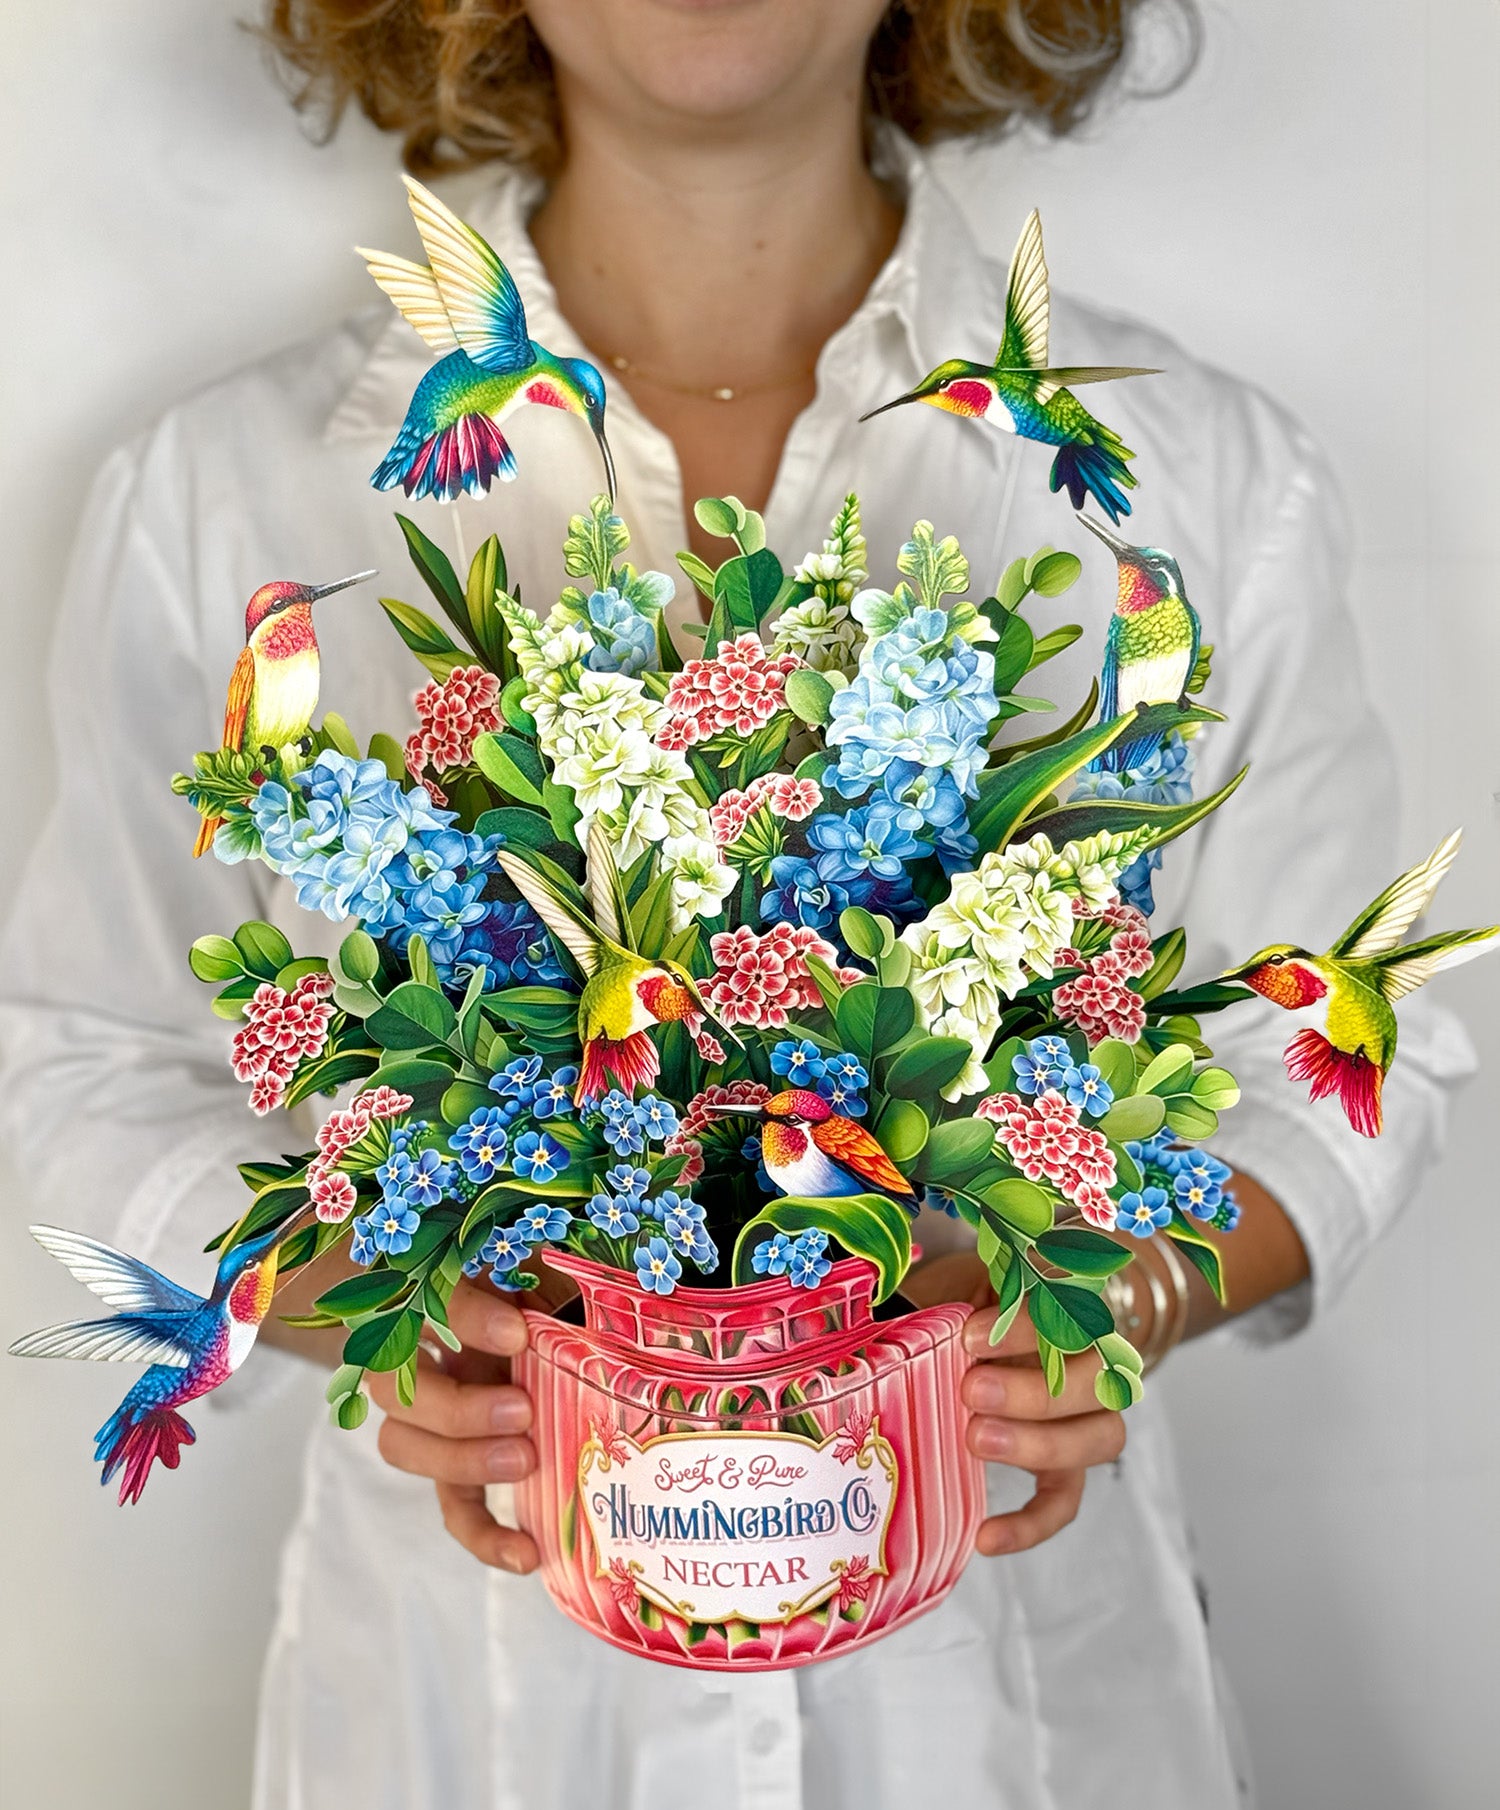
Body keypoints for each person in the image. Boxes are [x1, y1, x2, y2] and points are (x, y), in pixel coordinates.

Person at [0, 2, 1475, 1806]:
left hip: (1015, 1700)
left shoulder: (1198, 482)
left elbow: (1359, 1047)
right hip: (484, 1712)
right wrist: (385, 1303)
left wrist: (1101, 1297)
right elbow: (85, 1056)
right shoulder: (224, 495)